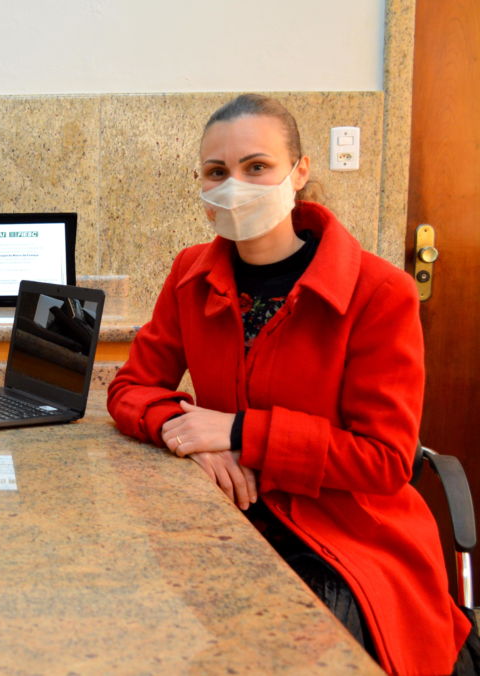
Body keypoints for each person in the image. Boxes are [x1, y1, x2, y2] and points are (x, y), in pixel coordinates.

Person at [106, 94, 472, 674]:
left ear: (299, 172)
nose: (235, 186)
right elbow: (130, 389)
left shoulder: (380, 293)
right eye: (216, 172)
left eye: (257, 167)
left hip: (348, 537)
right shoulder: (190, 274)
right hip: (223, 518)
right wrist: (186, 432)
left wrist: (238, 431)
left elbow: (385, 461)